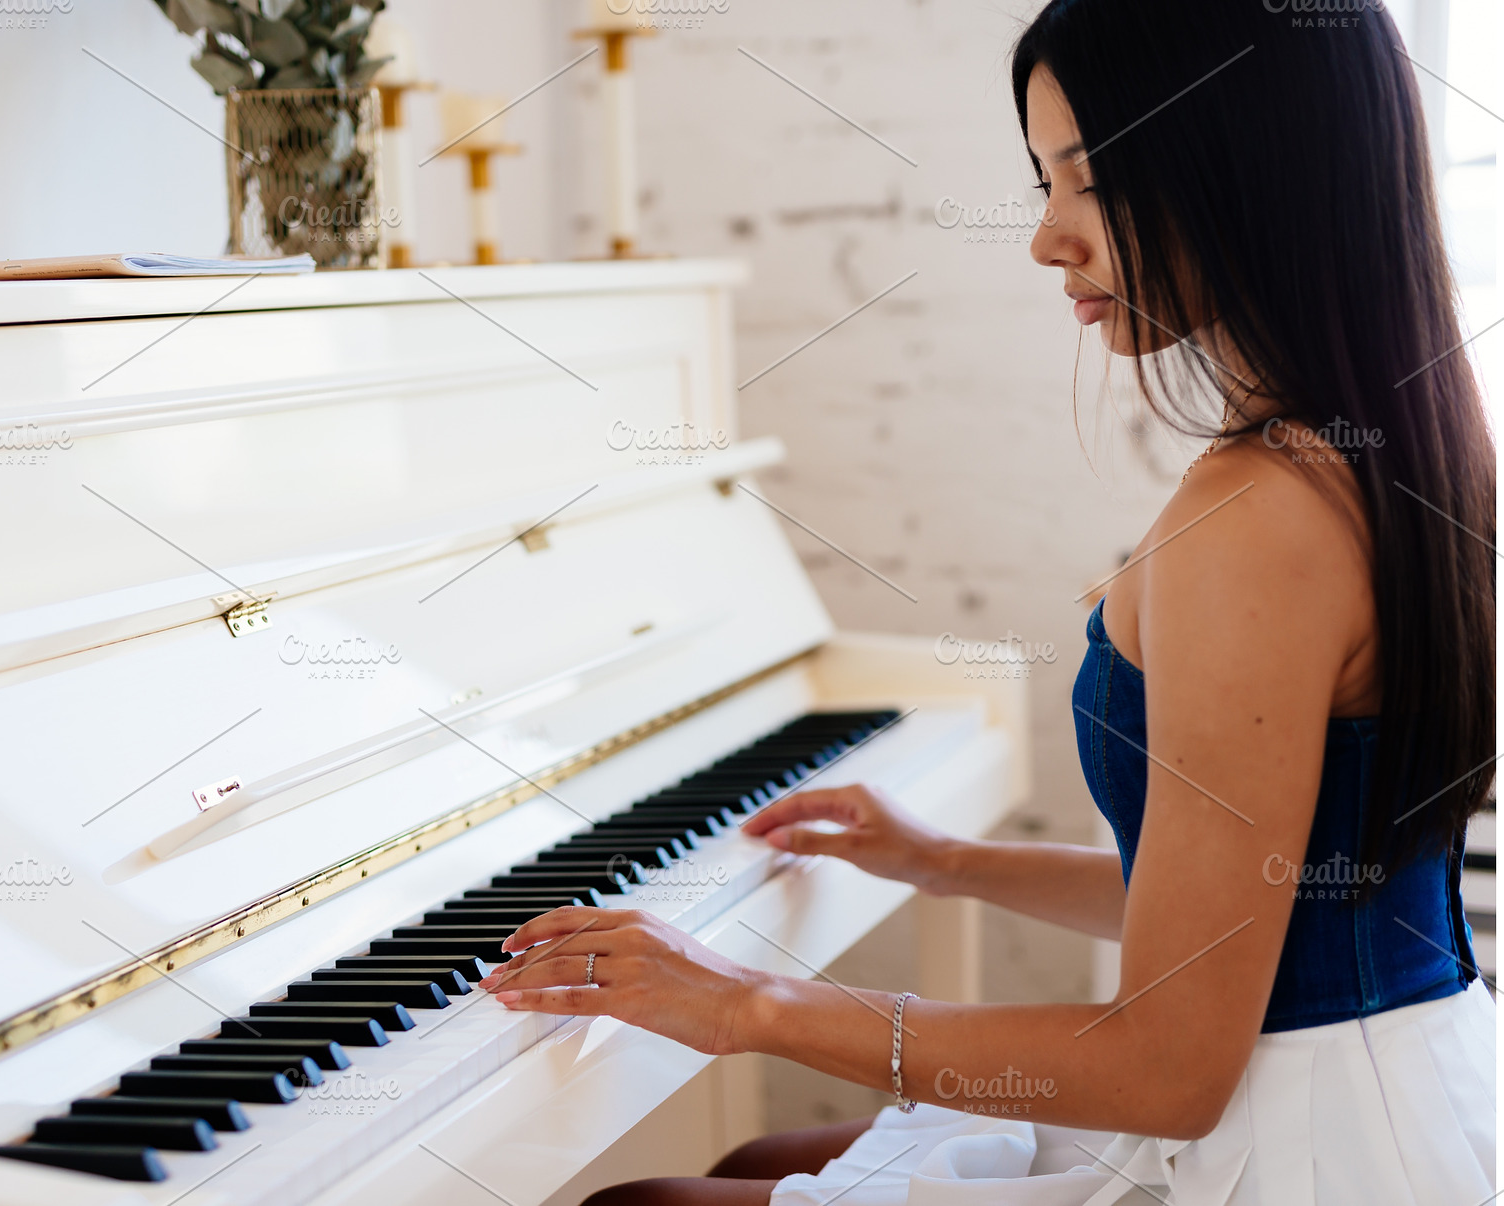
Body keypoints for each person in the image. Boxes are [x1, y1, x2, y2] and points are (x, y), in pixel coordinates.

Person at [482, 2, 1497, 1202]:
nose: (1045, 240)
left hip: (1299, 1151)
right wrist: (945, 860)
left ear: (1246, 162)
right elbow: (1248, 892)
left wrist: (748, 1003)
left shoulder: (1259, 519)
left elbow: (1170, 1066)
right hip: (1373, 1087)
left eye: (1089, 180)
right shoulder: (1394, 443)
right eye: (1040, 182)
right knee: (759, 1163)